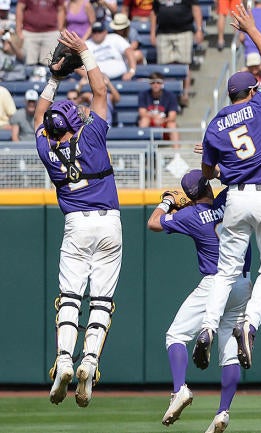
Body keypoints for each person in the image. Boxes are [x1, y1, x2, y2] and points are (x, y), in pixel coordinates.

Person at [195, 4, 261, 374]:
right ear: (251, 91)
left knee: (225, 271)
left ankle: (206, 327)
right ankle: (249, 324)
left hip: (234, 197)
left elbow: (206, 173)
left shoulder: (215, 124)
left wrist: (219, 164)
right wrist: (250, 29)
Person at [35, 29, 120, 408]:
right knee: (101, 299)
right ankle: (89, 360)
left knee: (71, 296)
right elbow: (100, 92)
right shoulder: (91, 139)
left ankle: (65, 360)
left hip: (76, 225)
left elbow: (39, 115)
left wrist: (53, 78)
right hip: (108, 224)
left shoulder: (48, 151)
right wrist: (85, 52)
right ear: (76, 122)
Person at [147, 170, 252, 433]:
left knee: (176, 335)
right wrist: (215, 168)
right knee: (229, 353)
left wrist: (168, 202)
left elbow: (153, 222)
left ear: (189, 196)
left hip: (215, 283)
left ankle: (179, 389)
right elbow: (240, 180)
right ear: (209, 186)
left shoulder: (190, 215)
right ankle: (223, 411)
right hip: (242, 284)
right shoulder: (229, 199)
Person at [150, 0, 203, 107]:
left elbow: (196, 9)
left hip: (184, 31)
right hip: (163, 33)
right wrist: (152, 32)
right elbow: (154, 12)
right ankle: (166, 97)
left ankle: (185, 94)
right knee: (164, 67)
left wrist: (199, 29)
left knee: (184, 65)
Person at [16, 0, 65, 66]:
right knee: (28, 64)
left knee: (49, 65)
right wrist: (18, 31)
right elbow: (20, 8)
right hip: (29, 33)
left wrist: (60, 28)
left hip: (51, 33)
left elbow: (61, 9)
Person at [138, 72, 180, 144]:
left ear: (162, 83)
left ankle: (176, 153)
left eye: (158, 82)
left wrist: (162, 120)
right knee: (144, 121)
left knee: (172, 125)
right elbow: (142, 113)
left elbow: (172, 116)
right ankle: (142, 148)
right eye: (153, 82)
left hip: (164, 123)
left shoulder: (170, 96)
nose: (156, 85)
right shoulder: (144, 95)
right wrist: (155, 117)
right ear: (149, 84)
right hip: (150, 122)